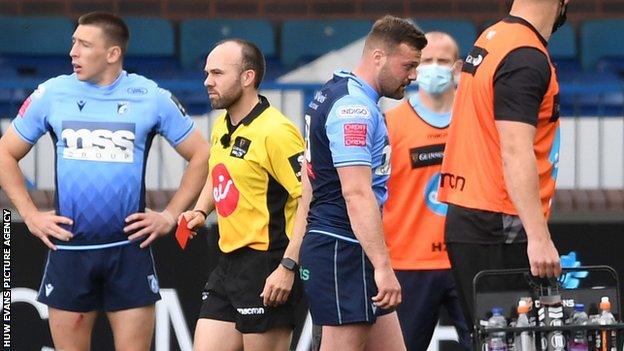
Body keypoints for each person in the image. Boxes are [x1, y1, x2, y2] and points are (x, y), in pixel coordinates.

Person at [0, 12, 209, 351]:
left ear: (112, 53)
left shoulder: (149, 96)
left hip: (128, 252)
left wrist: (170, 215)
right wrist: (31, 214)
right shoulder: (51, 94)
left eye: (84, 45)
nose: (73, 53)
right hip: (69, 249)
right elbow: (5, 154)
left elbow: (201, 154)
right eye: (73, 43)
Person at [297, 15, 427, 351]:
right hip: (341, 246)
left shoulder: (339, 88)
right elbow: (356, 193)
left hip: (349, 245)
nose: (413, 76)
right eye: (408, 65)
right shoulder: (353, 108)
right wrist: (383, 266)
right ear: (378, 57)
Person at [438, 0, 568, 334]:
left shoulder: (492, 38)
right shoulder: (525, 56)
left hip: (474, 214)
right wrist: (538, 238)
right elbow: (514, 148)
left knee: (494, 338)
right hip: (498, 219)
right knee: (510, 339)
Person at [179, 39, 305, 351]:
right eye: (207, 73)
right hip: (228, 263)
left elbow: (309, 199)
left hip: (268, 263)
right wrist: (200, 210)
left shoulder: (277, 131)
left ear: (247, 77)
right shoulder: (222, 124)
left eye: (217, 73)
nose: (208, 81)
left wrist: (288, 267)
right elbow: (218, 171)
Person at [383, 31, 472, 351]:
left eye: (443, 61)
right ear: (415, 68)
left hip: (465, 260)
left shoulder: (476, 122)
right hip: (407, 263)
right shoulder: (389, 125)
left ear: (458, 67)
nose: (434, 68)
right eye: (426, 61)